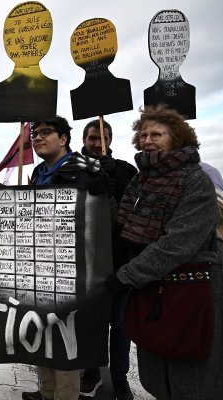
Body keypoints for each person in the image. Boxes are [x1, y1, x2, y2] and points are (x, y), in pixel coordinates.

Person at [106, 105, 223, 399]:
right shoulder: (142, 180)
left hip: (193, 293)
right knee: (163, 374)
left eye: (157, 134)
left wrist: (127, 275)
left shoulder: (195, 180)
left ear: (177, 138)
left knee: (195, 378)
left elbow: (178, 242)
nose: (147, 140)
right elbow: (125, 229)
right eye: (143, 135)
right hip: (155, 292)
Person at [22, 116, 107, 400]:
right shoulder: (37, 173)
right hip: (39, 268)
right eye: (35, 134)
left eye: (46, 133)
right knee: (42, 339)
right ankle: (46, 394)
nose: (38, 138)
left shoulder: (86, 170)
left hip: (73, 274)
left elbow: (105, 222)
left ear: (64, 138)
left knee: (66, 345)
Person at [79, 120, 137, 400]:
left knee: (121, 324)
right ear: (84, 139)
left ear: (111, 140)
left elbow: (139, 208)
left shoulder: (125, 169)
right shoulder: (73, 169)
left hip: (120, 261)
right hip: (86, 264)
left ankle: (119, 377)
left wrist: (119, 183)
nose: (97, 143)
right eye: (92, 138)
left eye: (103, 138)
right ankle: (91, 372)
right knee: (92, 323)